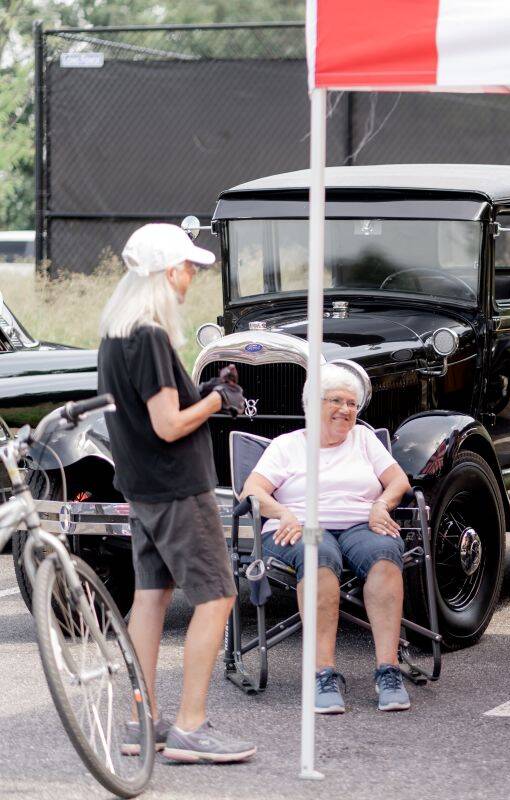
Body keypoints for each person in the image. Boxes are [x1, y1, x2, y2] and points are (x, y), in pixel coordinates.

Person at [97, 223, 256, 763]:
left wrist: (207, 392)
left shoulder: (116, 332)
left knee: (151, 597)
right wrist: (217, 401)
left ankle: (143, 722)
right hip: (176, 488)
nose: (192, 276)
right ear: (168, 273)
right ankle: (190, 726)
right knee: (217, 595)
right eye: (188, 267)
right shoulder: (150, 336)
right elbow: (167, 424)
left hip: (142, 486)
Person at [241, 364, 414, 714]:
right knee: (319, 556)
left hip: (359, 524)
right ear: (314, 404)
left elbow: (399, 482)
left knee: (384, 553)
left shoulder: (364, 440)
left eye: (353, 404)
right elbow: (252, 490)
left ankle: (389, 670)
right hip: (306, 526)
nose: (347, 410)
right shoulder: (287, 446)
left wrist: (382, 503)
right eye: (337, 401)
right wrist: (283, 513)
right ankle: (324, 673)